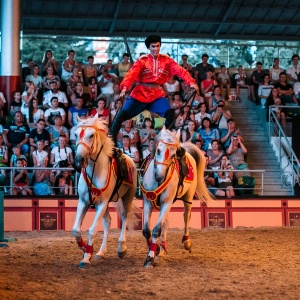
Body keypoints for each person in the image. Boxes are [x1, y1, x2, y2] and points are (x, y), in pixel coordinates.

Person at [109, 35, 198, 144]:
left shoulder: (167, 60)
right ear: (148, 48)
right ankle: (110, 142)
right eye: (153, 46)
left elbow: (181, 71)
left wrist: (191, 83)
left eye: (157, 46)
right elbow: (131, 74)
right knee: (120, 117)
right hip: (140, 94)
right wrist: (124, 88)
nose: (155, 49)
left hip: (156, 95)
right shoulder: (143, 60)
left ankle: (164, 140)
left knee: (170, 113)